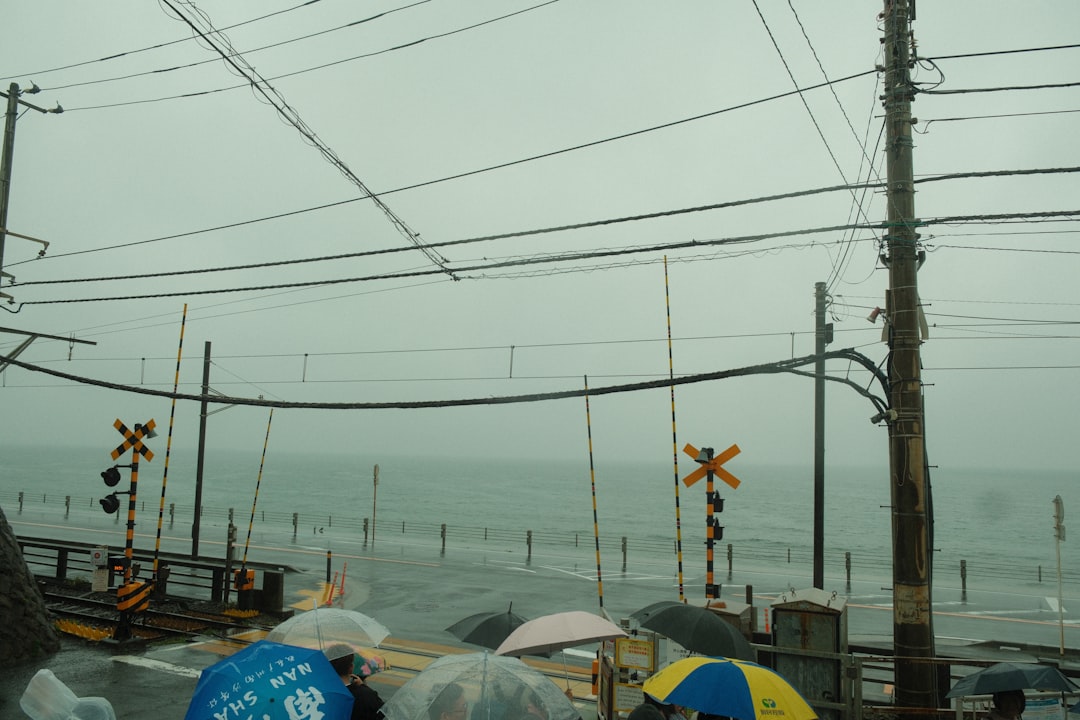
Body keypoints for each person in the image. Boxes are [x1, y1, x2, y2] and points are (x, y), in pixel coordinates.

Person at [324, 643, 386, 720]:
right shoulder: (366, 696)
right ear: (351, 668)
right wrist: (363, 687)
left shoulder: (320, 694)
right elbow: (383, 712)